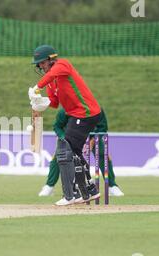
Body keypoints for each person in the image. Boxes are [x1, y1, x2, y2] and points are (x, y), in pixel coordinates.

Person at [29, 44, 102, 206]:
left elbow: (52, 74)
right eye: (38, 64)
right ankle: (88, 190)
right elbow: (54, 103)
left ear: (51, 59)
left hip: (86, 112)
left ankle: (72, 194)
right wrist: (39, 103)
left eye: (42, 62)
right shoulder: (50, 82)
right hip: (77, 115)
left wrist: (36, 87)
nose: (40, 66)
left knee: (66, 148)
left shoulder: (63, 65)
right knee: (72, 150)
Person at [38, 108, 124, 197]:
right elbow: (57, 126)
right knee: (59, 156)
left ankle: (112, 186)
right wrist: (63, 138)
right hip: (70, 137)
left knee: (102, 154)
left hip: (92, 136)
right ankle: (49, 185)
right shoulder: (65, 110)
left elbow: (102, 127)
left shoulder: (96, 109)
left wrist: (92, 141)